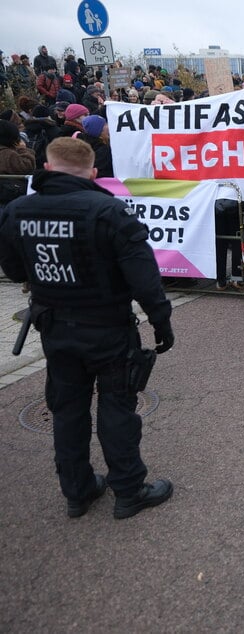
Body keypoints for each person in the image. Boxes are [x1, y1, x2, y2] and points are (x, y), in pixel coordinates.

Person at [0, 137, 175, 520]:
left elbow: (13, 270)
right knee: (117, 408)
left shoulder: (16, 211)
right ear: (94, 173)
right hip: (108, 329)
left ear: (46, 168)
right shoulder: (110, 212)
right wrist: (161, 321)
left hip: (55, 328)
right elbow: (144, 279)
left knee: (67, 411)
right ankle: (129, 491)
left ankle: (77, 491)